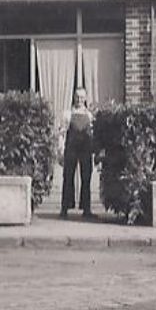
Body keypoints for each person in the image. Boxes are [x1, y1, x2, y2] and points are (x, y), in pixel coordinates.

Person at [61, 87, 96, 218]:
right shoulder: (67, 114)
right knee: (68, 178)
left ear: (85, 98)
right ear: (73, 97)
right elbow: (62, 132)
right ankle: (65, 208)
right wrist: (60, 149)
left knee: (86, 179)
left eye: (82, 97)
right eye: (77, 97)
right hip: (71, 149)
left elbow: (92, 133)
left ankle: (86, 209)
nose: (79, 100)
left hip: (85, 150)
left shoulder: (89, 115)